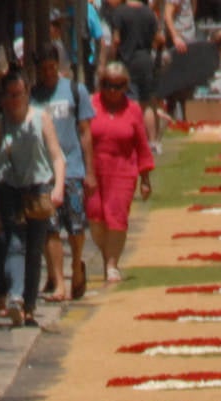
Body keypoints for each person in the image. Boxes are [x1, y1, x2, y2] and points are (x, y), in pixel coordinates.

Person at [0, 71, 68, 329]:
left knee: (34, 248)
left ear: (27, 94)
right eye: (9, 95)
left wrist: (58, 187)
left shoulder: (40, 118)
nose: (14, 100)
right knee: (14, 243)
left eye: (19, 94)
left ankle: (30, 305)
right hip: (10, 188)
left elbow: (57, 156)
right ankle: (15, 296)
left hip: (38, 188)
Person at [31, 46, 95, 303]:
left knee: (76, 226)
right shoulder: (33, 97)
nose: (48, 73)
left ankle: (77, 265)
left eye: (51, 67)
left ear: (58, 65)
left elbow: (85, 132)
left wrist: (90, 171)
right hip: (44, 173)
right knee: (51, 228)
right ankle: (58, 281)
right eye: (43, 69)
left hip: (73, 170)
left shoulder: (75, 91)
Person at [87, 62, 154, 285]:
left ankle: (112, 264)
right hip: (94, 170)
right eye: (107, 85)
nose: (112, 91)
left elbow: (142, 145)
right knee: (95, 217)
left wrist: (145, 179)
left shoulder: (133, 109)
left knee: (116, 217)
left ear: (126, 86)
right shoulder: (91, 104)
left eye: (118, 86)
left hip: (122, 171)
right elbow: (82, 136)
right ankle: (108, 255)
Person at [105, 0, 163, 139]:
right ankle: (153, 141)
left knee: (132, 102)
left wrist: (110, 59)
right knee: (147, 104)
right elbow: (160, 39)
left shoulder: (119, 12)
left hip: (127, 61)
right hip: (145, 60)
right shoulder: (149, 13)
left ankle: (135, 138)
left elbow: (116, 40)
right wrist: (157, 55)